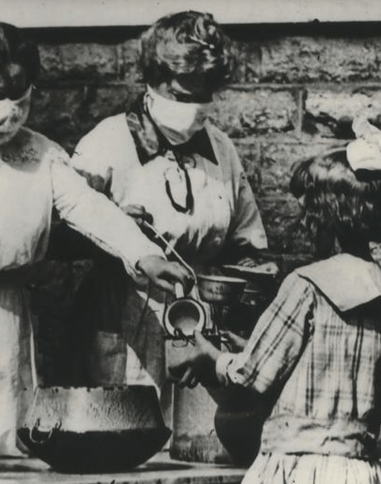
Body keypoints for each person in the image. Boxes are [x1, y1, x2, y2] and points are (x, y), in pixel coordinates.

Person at [0, 14, 190, 460]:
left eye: (18, 94)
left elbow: (89, 207)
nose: (8, 107)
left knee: (7, 438)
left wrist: (145, 255)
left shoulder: (40, 155)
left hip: (10, 316)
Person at [169, 130, 381, 484]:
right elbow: (313, 360)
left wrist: (210, 355)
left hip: (298, 471)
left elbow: (250, 376)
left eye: (307, 217)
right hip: (356, 475)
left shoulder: (307, 285)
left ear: (324, 219)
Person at [68, 11, 274, 398]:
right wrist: (118, 234)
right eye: (182, 95)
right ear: (152, 79)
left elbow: (248, 243)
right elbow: (61, 230)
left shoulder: (221, 149)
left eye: (204, 95)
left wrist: (242, 295)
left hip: (201, 325)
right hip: (124, 317)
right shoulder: (107, 142)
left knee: (192, 438)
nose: (194, 107)